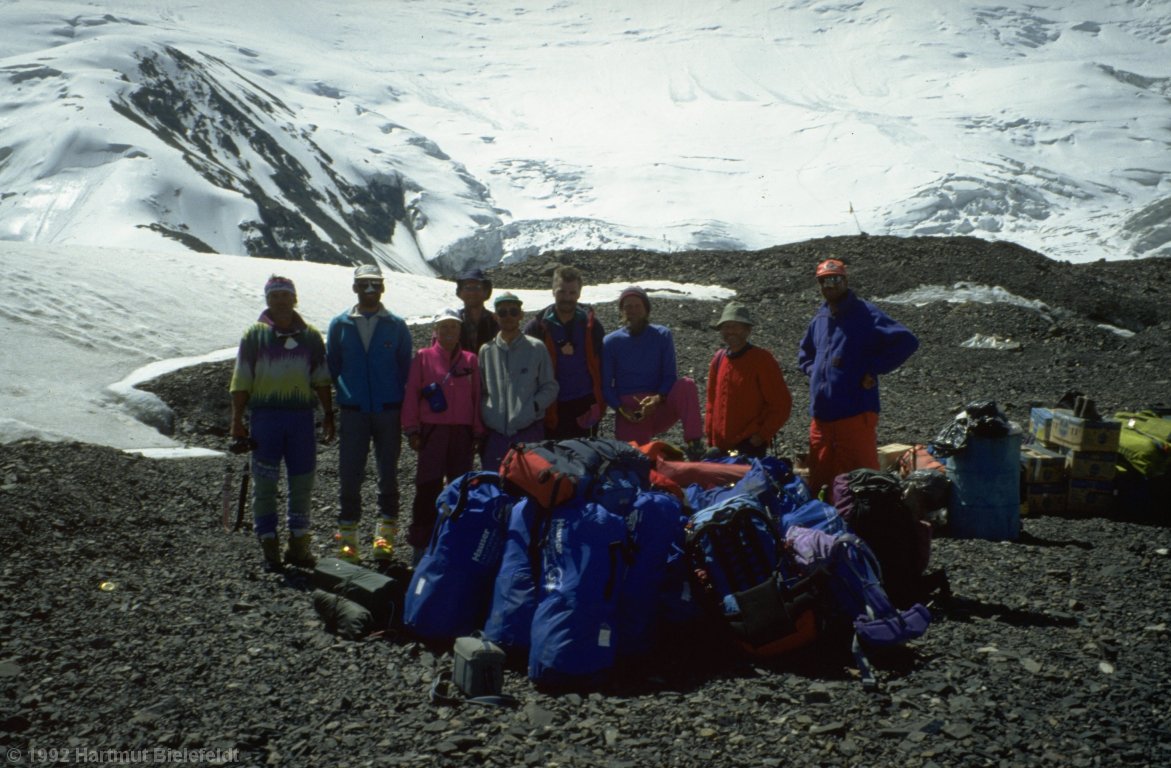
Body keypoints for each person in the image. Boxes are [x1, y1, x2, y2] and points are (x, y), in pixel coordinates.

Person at [230, 275, 334, 571]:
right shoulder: (254, 335)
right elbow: (241, 380)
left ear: (294, 298)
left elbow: (322, 379)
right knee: (264, 484)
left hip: (301, 419)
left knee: (302, 483)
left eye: (285, 295)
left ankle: (298, 546)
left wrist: (328, 414)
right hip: (265, 419)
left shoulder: (311, 337)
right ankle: (269, 545)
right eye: (275, 296)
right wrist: (236, 420)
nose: (281, 300)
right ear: (267, 300)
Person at [797, 258, 919, 495]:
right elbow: (805, 353)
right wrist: (815, 372)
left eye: (834, 279)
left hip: (855, 414)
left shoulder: (865, 313)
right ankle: (826, 526)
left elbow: (906, 341)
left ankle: (865, 526)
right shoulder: (820, 317)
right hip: (821, 417)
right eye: (823, 281)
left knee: (860, 478)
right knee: (821, 477)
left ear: (845, 280)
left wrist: (873, 368)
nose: (828, 285)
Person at [326, 264, 413, 564]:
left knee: (388, 474)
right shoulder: (340, 325)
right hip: (354, 412)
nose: (370, 290)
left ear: (383, 287)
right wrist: (346, 395)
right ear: (355, 288)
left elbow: (406, 367)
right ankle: (348, 542)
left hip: (388, 411)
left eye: (375, 284)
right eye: (364, 285)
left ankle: (384, 539)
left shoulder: (396, 325)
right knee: (350, 475)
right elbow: (332, 365)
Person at [402, 308, 483, 563]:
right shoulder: (423, 357)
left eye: (454, 327)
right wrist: (412, 429)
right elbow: (412, 394)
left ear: (460, 331)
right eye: (444, 327)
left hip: (462, 432)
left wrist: (478, 429)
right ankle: (421, 544)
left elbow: (477, 397)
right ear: (435, 330)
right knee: (428, 487)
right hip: (432, 431)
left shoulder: (471, 360)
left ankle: (454, 542)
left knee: (460, 488)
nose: (449, 331)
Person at [602, 286, 703, 456]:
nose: (633, 310)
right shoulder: (611, 342)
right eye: (628, 306)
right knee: (637, 458)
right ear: (622, 311)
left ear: (646, 309)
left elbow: (670, 375)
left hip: (658, 404)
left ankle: (695, 444)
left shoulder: (662, 335)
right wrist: (621, 408)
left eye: (637, 306)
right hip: (631, 411)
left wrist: (657, 398)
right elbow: (605, 385)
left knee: (686, 385)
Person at [523, 265, 606, 439]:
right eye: (562, 292)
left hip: (585, 402)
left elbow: (602, 365)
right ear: (553, 290)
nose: (567, 298)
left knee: (585, 456)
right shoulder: (537, 327)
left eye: (572, 293)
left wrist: (601, 402)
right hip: (551, 404)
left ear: (579, 293)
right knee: (555, 459)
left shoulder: (592, 326)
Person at [479, 292, 559, 471]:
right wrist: (487, 413)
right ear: (495, 316)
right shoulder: (486, 351)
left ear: (521, 315)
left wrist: (533, 407)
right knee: (495, 483)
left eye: (513, 312)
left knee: (529, 484)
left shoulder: (536, 347)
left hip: (529, 430)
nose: (508, 316)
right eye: (503, 312)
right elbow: (482, 390)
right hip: (496, 433)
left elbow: (550, 386)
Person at [704, 301, 792, 458]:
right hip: (720, 447)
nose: (730, 331)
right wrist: (710, 438)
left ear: (747, 330)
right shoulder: (718, 359)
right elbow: (711, 402)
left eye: (735, 326)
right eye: (726, 326)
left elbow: (781, 404)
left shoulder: (762, 360)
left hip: (749, 446)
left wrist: (760, 436)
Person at [454, 268, 499, 357]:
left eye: (477, 287)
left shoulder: (496, 321)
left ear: (486, 292)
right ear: (460, 293)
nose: (472, 292)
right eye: (467, 288)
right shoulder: (453, 322)